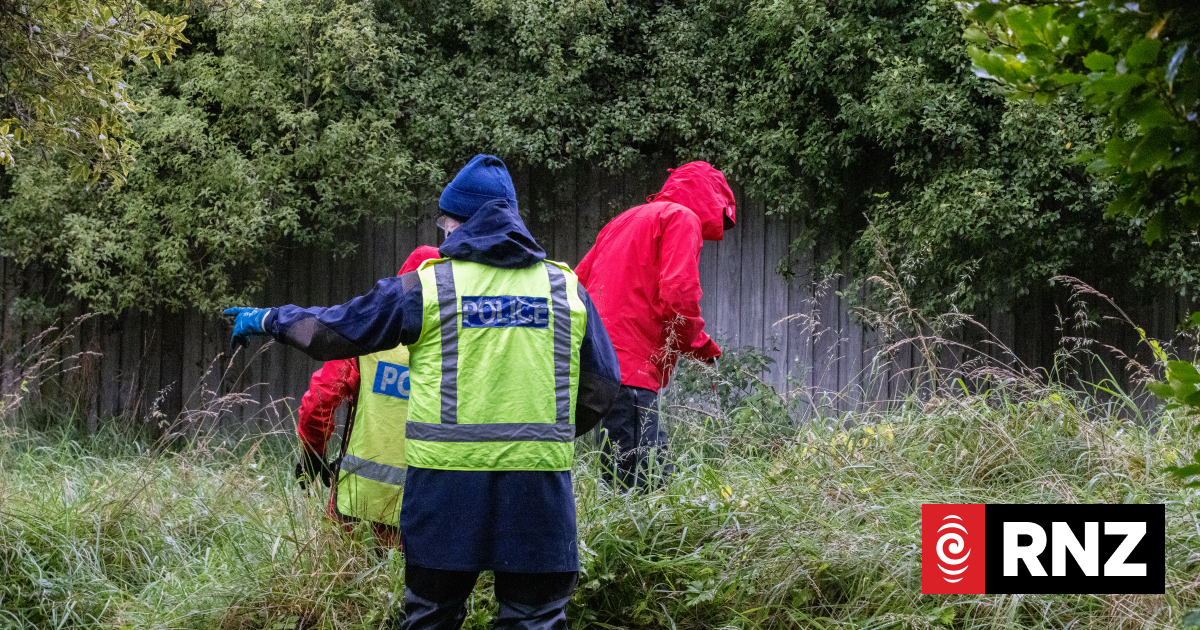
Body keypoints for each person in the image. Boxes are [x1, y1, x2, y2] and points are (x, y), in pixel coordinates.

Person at [224, 154, 620, 630]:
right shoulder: (565, 289)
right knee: (533, 619)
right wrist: (546, 434)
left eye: (445, 222)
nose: (443, 232)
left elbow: (336, 329)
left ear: (462, 224)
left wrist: (271, 318)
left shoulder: (430, 288)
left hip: (445, 495)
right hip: (538, 496)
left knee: (433, 618)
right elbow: (602, 387)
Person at [575, 161, 736, 491]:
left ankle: (615, 540)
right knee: (646, 482)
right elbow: (678, 296)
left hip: (597, 363)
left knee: (621, 477)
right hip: (631, 368)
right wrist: (702, 347)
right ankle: (645, 543)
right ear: (710, 198)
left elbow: (575, 283)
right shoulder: (681, 217)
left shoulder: (622, 221)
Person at [295, 245, 441, 547]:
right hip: (431, 509)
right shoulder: (460, 345)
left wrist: (313, 454)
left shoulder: (366, 337)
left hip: (356, 504)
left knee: (343, 589)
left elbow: (319, 401)